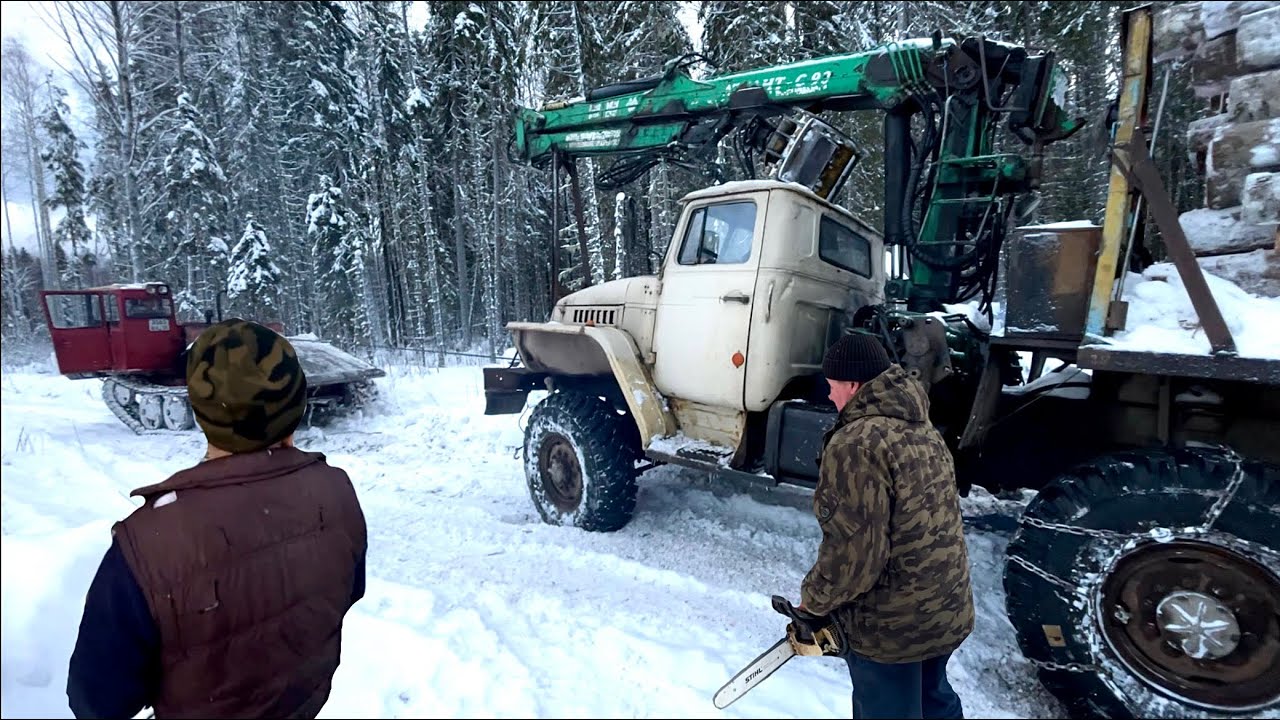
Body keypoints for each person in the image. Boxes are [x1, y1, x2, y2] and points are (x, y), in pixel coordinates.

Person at [67, 319, 368, 719]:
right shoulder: (337, 491)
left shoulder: (149, 542)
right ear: (294, 407)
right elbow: (346, 593)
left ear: (202, 409)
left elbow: (98, 701)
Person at [799, 332, 974, 719]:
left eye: (832, 387)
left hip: (892, 626)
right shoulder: (920, 426)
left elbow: (855, 553)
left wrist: (813, 603)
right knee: (933, 700)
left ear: (853, 385)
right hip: (943, 608)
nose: (830, 397)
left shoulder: (856, 444)